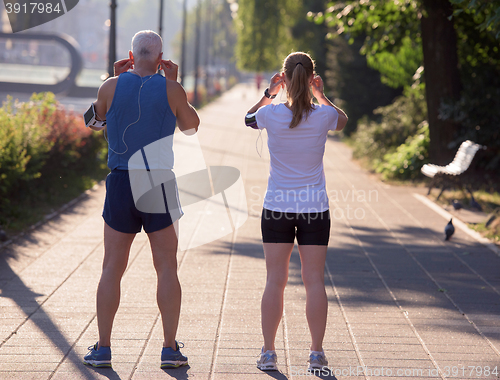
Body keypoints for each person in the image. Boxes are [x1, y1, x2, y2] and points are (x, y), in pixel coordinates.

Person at [82, 30, 200, 369]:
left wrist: (117, 80)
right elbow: (191, 127)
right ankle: (169, 349)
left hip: (120, 181)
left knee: (111, 268)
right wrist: (176, 86)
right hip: (158, 181)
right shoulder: (171, 88)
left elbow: (92, 121)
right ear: (161, 59)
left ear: (131, 56)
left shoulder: (110, 85)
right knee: (166, 266)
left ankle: (103, 348)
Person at [245, 52, 348, 372]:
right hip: (315, 208)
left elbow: (248, 119)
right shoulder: (323, 115)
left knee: (275, 280)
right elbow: (343, 121)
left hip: (277, 207)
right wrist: (321, 94)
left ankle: (269, 352)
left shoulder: (272, 113)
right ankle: (316, 354)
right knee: (314, 280)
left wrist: (269, 93)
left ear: (284, 77)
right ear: (312, 77)